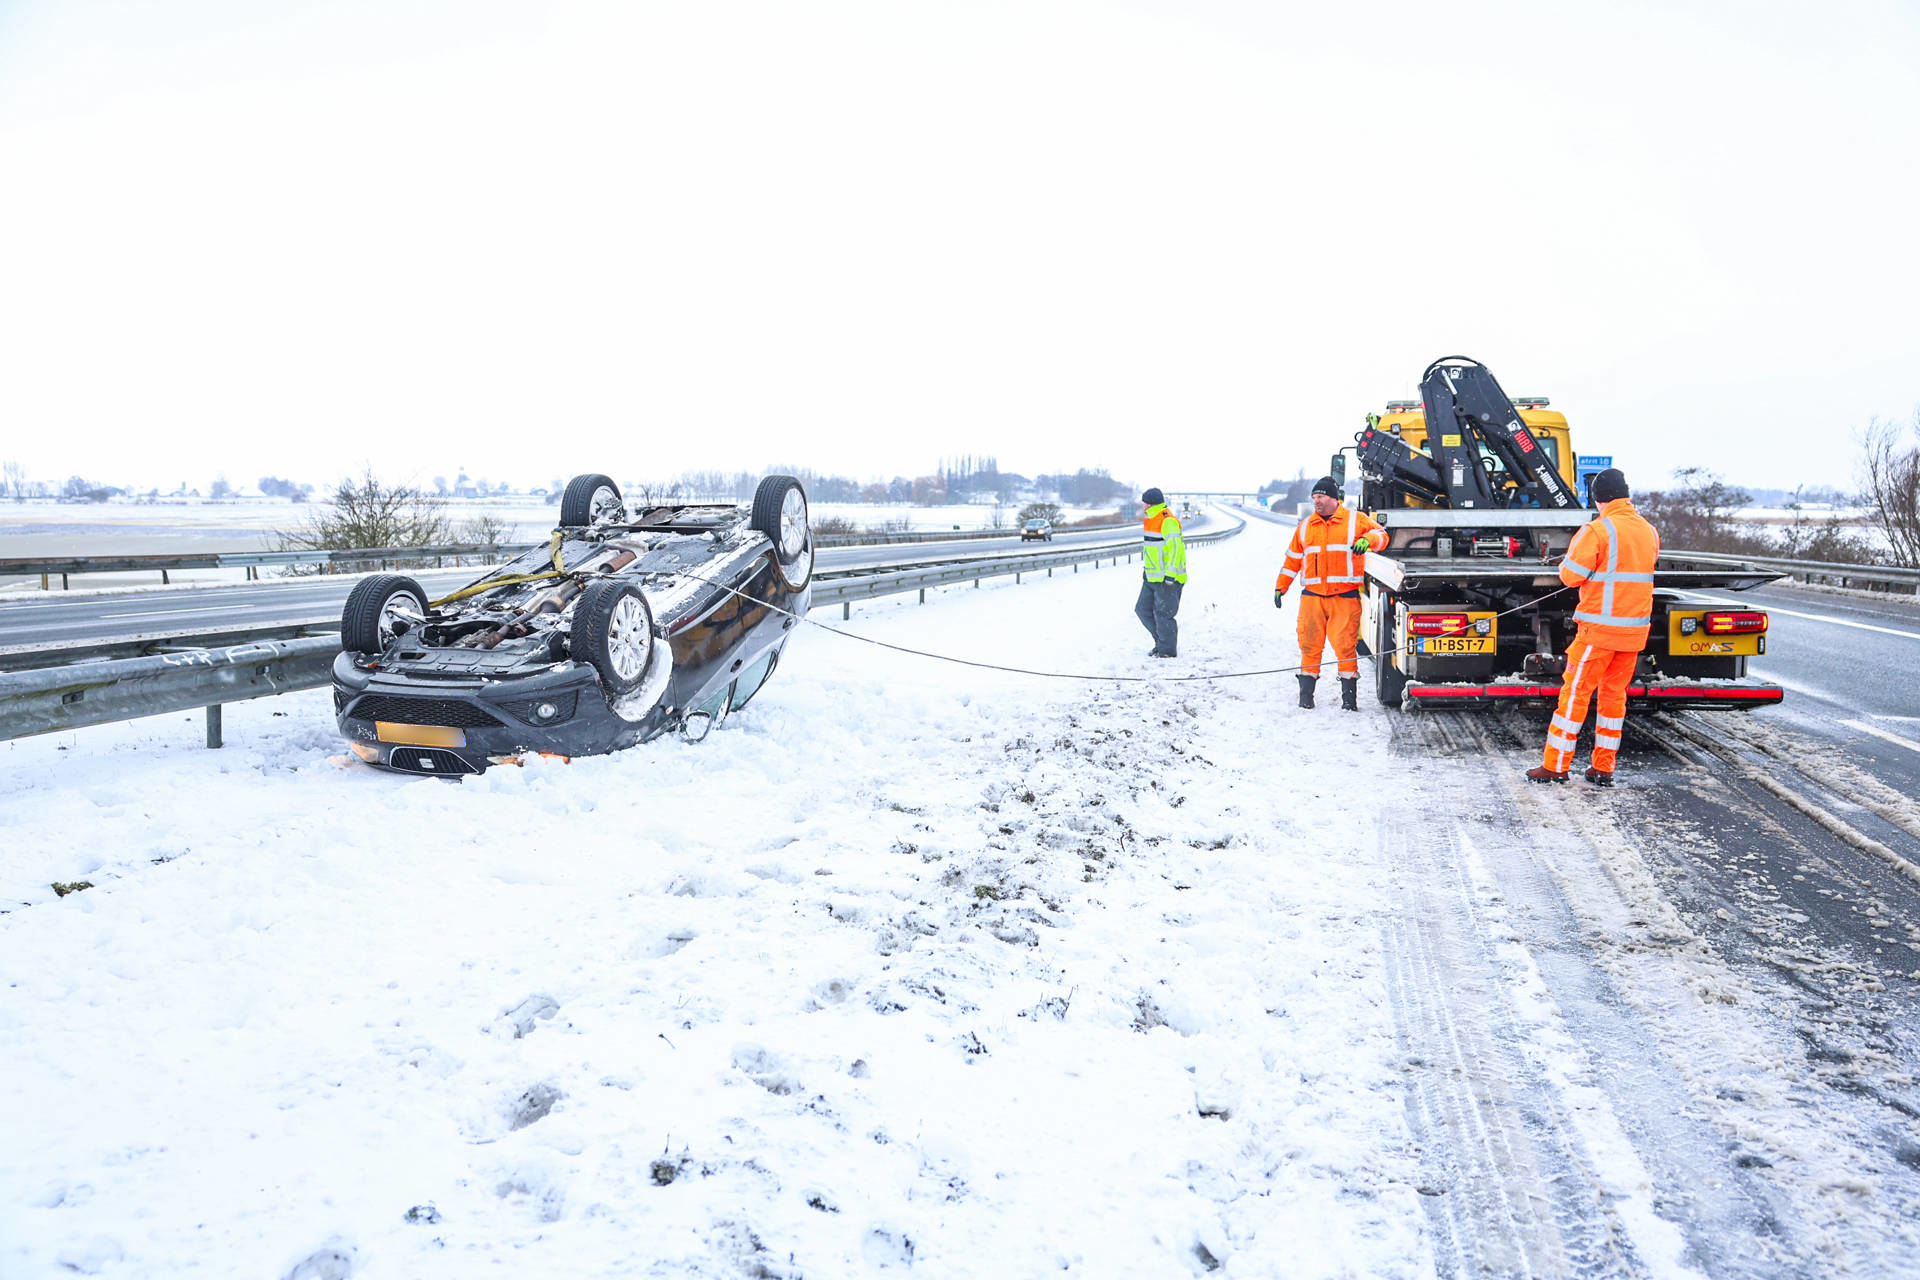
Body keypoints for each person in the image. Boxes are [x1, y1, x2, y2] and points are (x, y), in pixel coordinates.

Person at [1527, 468, 1660, 786]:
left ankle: (1556, 765)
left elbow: (1571, 576)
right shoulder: (1648, 531)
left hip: (1598, 632)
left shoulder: (1597, 530)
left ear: (1598, 498)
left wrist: (1563, 562)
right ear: (1625, 495)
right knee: (1614, 698)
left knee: (1574, 695)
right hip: (1633, 633)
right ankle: (1603, 767)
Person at [1273, 477, 1387, 710]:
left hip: (1344, 597)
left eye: (1321, 496)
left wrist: (1368, 539)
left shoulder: (1356, 520)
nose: (1317, 501)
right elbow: (1292, 561)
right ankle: (1306, 697)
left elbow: (1383, 536)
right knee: (1308, 645)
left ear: (1334, 499)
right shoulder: (1305, 527)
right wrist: (1280, 587)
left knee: (1345, 647)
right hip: (1312, 598)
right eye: (1314, 497)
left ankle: (1349, 700)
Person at [1135, 487, 1186, 658]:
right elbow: (1153, 550)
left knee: (1164, 615)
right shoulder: (1151, 519)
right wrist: (1147, 571)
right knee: (1142, 610)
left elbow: (1176, 551)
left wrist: (1170, 576)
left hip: (1168, 579)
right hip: (1151, 576)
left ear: (1149, 503)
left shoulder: (1167, 521)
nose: (1143, 505)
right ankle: (1161, 643)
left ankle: (1167, 651)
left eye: (1144, 502)